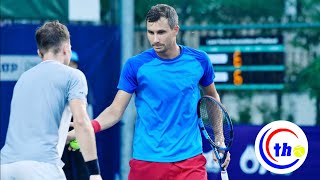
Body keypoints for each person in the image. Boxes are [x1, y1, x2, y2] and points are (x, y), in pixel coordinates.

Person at [70, 4, 231, 180]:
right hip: (147, 161)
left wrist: (219, 139)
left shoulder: (199, 60)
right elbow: (116, 110)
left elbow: (212, 98)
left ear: (175, 30)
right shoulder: (135, 65)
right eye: (150, 32)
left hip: (190, 162)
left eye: (161, 32)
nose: (155, 39)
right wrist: (88, 127)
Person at [0, 21, 102, 180]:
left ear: (39, 53)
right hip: (41, 169)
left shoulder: (23, 79)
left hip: (6, 168)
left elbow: (31, 129)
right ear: (66, 49)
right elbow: (82, 122)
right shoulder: (74, 76)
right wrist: (94, 173)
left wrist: (66, 136)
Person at [61, 50, 90, 180]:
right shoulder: (56, 84)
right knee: (62, 167)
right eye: (68, 63)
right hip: (60, 132)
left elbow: (88, 111)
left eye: (73, 63)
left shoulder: (80, 82)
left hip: (79, 130)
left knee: (82, 165)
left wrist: (86, 130)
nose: (70, 66)